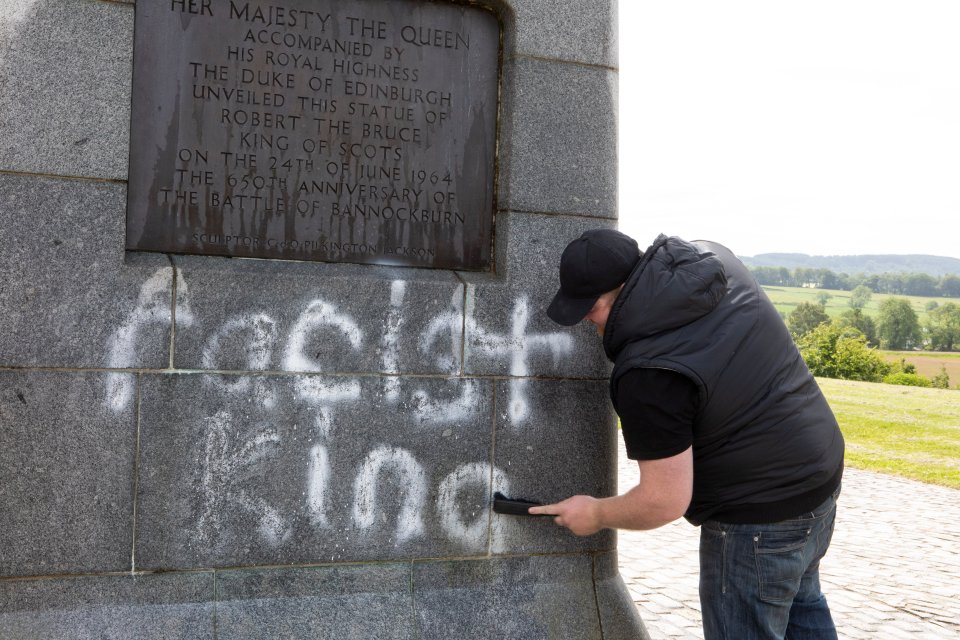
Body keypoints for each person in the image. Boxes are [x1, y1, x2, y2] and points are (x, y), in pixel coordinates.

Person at [529, 230, 844, 640]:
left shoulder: (648, 374)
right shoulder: (714, 260)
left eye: (591, 311)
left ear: (615, 295)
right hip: (819, 473)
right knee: (803, 606)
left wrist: (596, 514)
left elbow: (663, 500)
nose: (588, 323)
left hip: (757, 518)